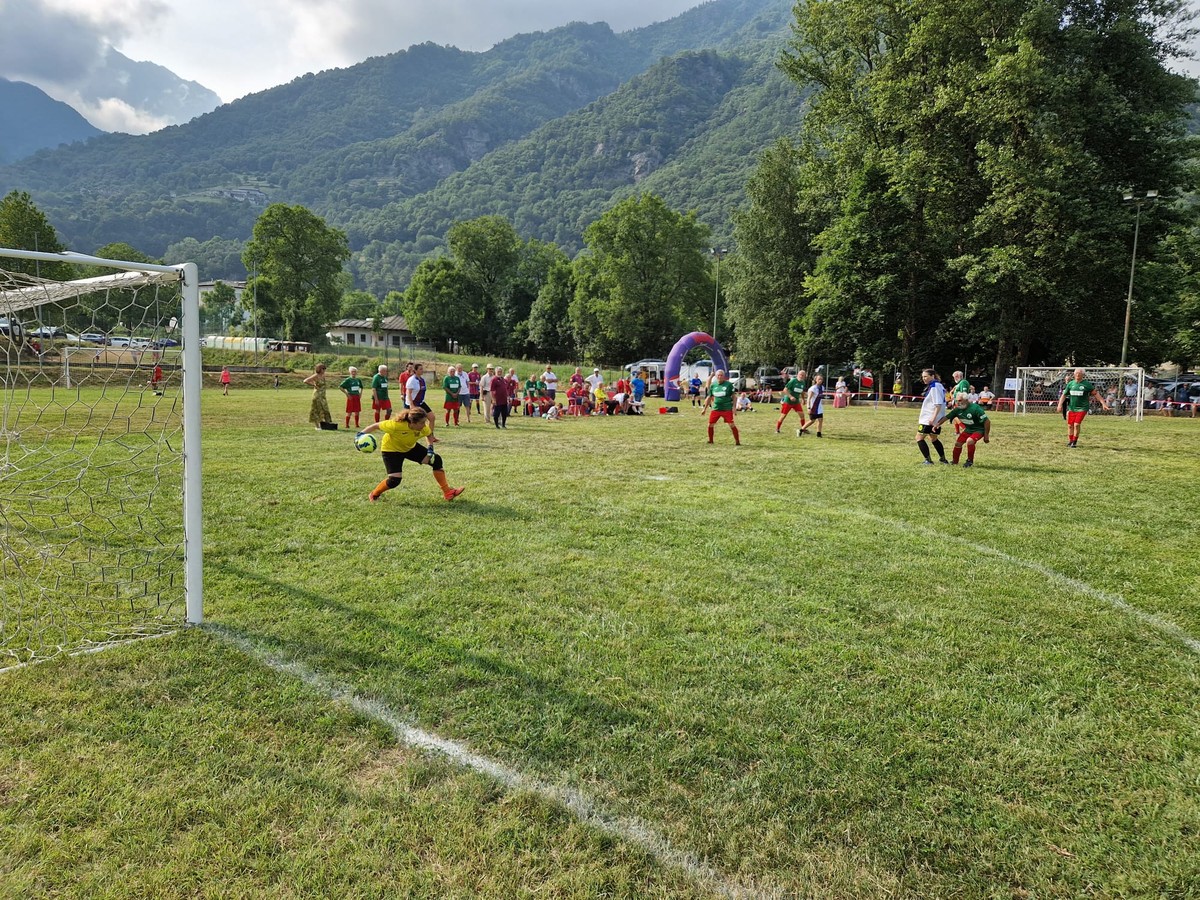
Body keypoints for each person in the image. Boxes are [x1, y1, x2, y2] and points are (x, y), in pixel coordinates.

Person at [359, 408, 464, 503]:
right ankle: (374, 494)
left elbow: (429, 434)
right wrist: (359, 435)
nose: (424, 425)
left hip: (409, 448)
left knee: (435, 460)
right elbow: (375, 426)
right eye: (422, 422)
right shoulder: (396, 425)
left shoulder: (422, 428)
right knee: (394, 481)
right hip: (391, 450)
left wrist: (430, 449)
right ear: (413, 422)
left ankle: (448, 492)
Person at [1057, 367, 1109, 447]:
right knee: (1070, 425)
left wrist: (1103, 403)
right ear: (1074, 374)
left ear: (1083, 375)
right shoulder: (1070, 384)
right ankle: (1070, 441)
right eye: (1076, 373)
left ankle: (1074, 442)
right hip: (1072, 408)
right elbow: (1064, 395)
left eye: (1079, 373)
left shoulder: (1087, 384)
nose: (1077, 375)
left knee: (1076, 424)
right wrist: (1060, 405)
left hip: (1082, 408)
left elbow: (1096, 394)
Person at [939, 392, 991, 467]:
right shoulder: (957, 409)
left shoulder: (975, 408)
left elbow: (987, 421)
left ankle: (969, 461)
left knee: (970, 441)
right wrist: (937, 425)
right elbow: (947, 417)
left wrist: (986, 435)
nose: (958, 402)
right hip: (968, 430)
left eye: (960, 400)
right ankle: (954, 462)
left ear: (966, 400)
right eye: (957, 401)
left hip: (979, 430)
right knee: (958, 444)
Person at [916, 368, 948, 464]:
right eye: (923, 377)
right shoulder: (938, 385)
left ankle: (928, 460)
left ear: (932, 376)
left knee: (919, 438)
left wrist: (932, 419)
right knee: (933, 438)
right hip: (936, 417)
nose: (924, 378)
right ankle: (943, 459)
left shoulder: (934, 386)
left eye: (926, 376)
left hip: (929, 418)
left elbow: (937, 404)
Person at [704, 369, 741, 445]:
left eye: (721, 375)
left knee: (731, 424)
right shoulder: (713, 385)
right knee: (710, 424)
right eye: (718, 375)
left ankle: (737, 441)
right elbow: (709, 397)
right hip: (716, 409)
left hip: (726, 409)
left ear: (724, 376)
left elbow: (734, 397)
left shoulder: (728, 385)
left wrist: (734, 407)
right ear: (716, 376)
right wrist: (704, 409)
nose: (720, 377)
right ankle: (711, 440)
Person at [776, 368, 807, 435]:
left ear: (804, 376)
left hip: (796, 402)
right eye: (800, 374)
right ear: (798, 375)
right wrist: (790, 397)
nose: (801, 376)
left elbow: (802, 391)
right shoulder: (793, 381)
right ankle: (777, 429)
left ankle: (803, 429)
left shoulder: (803, 382)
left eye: (803, 375)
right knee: (783, 416)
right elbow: (785, 390)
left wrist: (803, 399)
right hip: (788, 401)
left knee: (802, 415)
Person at [303, 363, 332, 429]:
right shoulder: (316, 376)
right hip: (317, 395)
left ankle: (326, 425)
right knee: (317, 410)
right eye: (323, 369)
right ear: (319, 369)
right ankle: (317, 426)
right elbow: (305, 381)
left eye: (325, 369)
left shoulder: (323, 376)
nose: (324, 370)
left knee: (325, 410)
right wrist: (313, 385)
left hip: (323, 396)